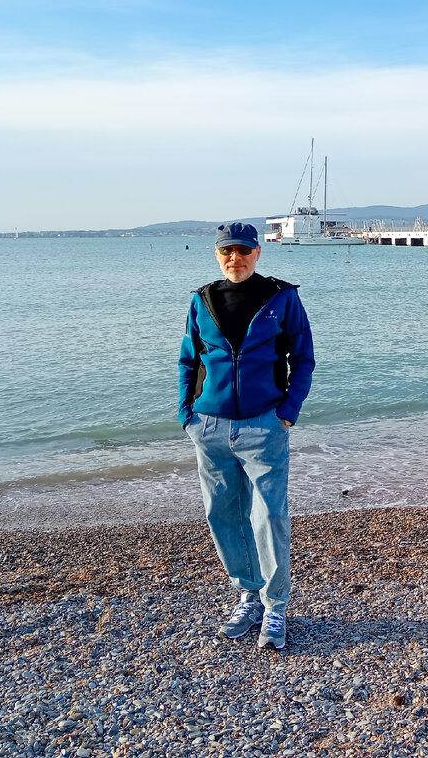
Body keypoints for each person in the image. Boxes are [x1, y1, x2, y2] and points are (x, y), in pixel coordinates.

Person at [178, 222, 315, 650]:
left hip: (264, 425)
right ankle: (249, 593)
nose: (234, 258)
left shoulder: (282, 297)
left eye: (243, 250)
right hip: (210, 425)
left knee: (268, 515)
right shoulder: (203, 300)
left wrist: (287, 413)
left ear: (258, 253)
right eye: (226, 251)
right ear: (216, 254)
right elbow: (187, 360)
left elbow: (303, 358)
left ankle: (275, 606)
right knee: (222, 514)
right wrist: (187, 414)